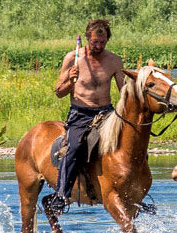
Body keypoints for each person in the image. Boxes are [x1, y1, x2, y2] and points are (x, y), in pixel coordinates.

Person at [46, 19, 127, 211]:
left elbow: (124, 91)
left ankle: (136, 192)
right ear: (87, 39)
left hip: (106, 113)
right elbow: (59, 92)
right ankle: (62, 194)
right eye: (94, 42)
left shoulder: (114, 61)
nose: (98, 46)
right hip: (80, 114)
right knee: (75, 148)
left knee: (131, 142)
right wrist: (70, 80)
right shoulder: (73, 58)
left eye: (102, 42)